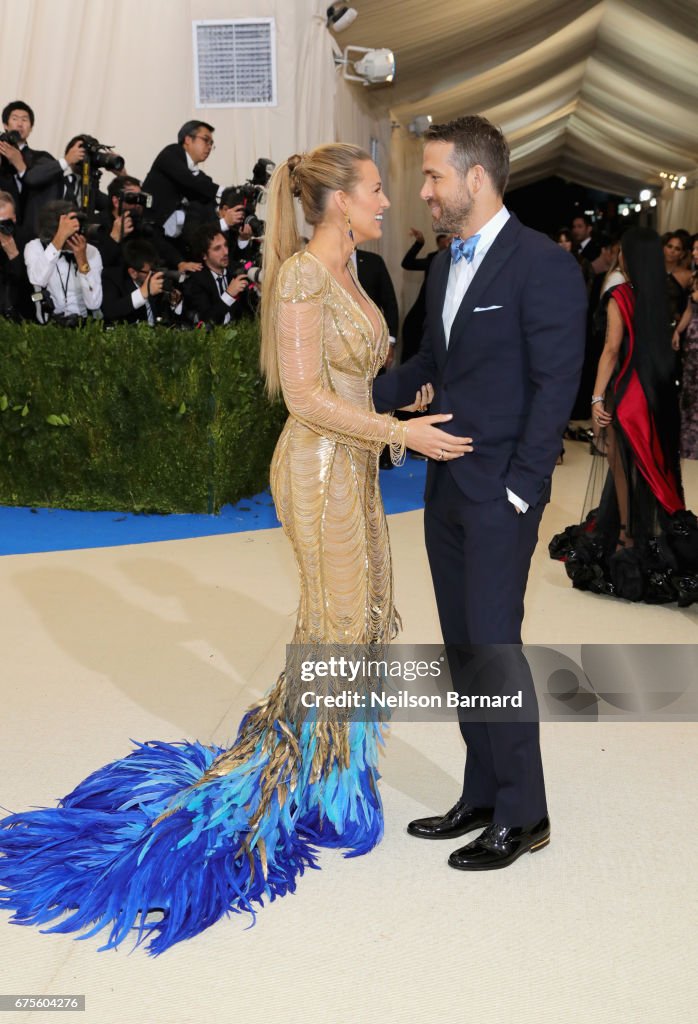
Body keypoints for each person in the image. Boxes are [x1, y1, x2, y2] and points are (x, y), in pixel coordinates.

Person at [0, 143, 465, 953]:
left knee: (356, 620)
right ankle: (322, 783)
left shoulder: (349, 268)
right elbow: (305, 395)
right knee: (340, 618)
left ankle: (330, 773)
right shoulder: (301, 277)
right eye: (375, 191)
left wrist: (398, 400)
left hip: (352, 460)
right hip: (319, 468)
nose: (388, 202)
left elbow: (352, 375)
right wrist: (399, 431)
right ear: (336, 203)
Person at [373, 115, 586, 870]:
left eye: (432, 177)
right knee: (464, 649)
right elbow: (433, 361)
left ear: (475, 177)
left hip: (500, 494)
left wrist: (522, 492)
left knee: (495, 647)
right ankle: (483, 793)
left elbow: (556, 386)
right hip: (443, 489)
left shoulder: (543, 265)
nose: (423, 192)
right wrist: (354, 391)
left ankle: (525, 814)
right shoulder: (443, 266)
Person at [550, 228, 698, 606]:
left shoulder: (620, 295)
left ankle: (627, 540)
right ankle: (644, 535)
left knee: (620, 467)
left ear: (627, 257)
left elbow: (612, 350)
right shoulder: (661, 294)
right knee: (652, 471)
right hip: (656, 394)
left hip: (628, 395)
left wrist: (598, 397)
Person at [23, 200, 103, 323]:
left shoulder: (91, 251)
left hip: (85, 325)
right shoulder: (35, 247)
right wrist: (59, 239)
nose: (77, 235)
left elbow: (94, 303)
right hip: (49, 326)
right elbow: (38, 279)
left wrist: (82, 260)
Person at [142, 121, 220, 238]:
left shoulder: (199, 175)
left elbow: (205, 192)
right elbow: (189, 181)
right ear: (188, 139)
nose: (209, 146)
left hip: (173, 238)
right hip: (150, 230)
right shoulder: (172, 152)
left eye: (211, 143)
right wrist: (221, 192)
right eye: (205, 140)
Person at [182, 224, 249, 325]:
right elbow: (207, 321)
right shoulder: (196, 281)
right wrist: (229, 295)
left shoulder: (234, 270)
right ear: (204, 255)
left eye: (225, 245)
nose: (225, 252)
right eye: (217, 248)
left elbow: (248, 311)